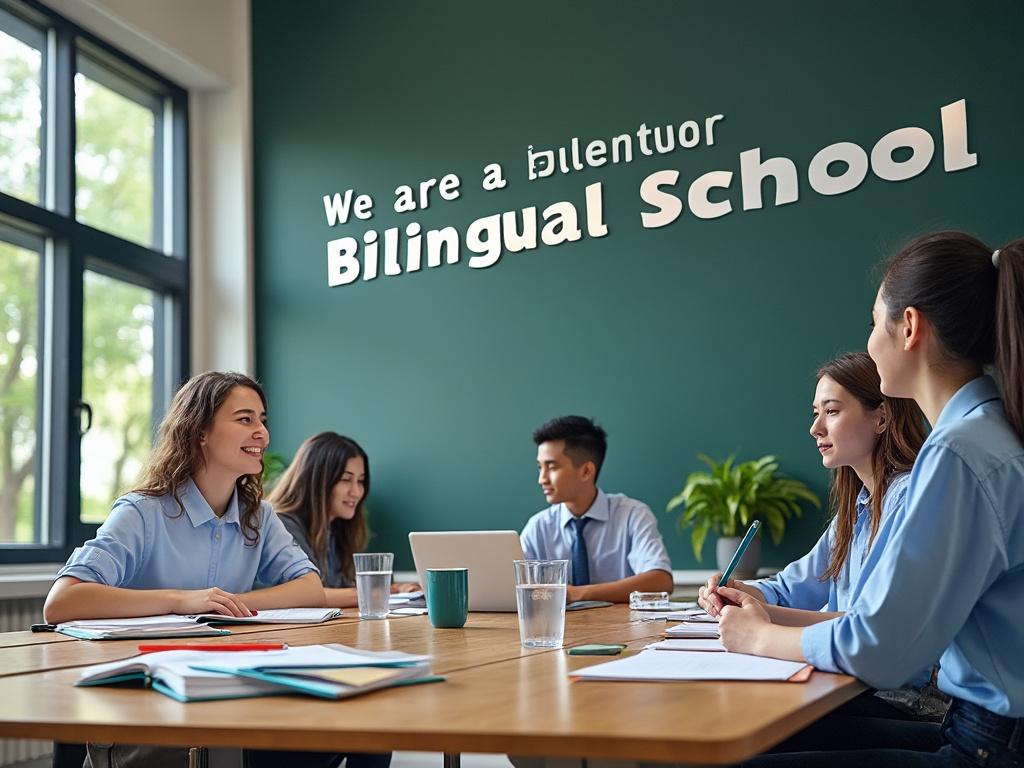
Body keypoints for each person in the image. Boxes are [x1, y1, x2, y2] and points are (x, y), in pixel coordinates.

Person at [715, 231, 1024, 767]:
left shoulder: (960, 452)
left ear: (909, 328)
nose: (869, 340)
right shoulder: (985, 433)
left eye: (873, 320)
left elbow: (880, 648)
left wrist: (759, 638)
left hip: (985, 745)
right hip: (979, 730)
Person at [43, 371, 326, 768]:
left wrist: (228, 603)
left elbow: (310, 588)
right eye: (245, 419)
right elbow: (62, 602)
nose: (261, 432)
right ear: (200, 433)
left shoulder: (257, 515)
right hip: (145, 709)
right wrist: (180, 601)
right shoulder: (142, 511)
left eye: (263, 420)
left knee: (336, 738)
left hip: (227, 693)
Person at [699, 352, 945, 724]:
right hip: (849, 687)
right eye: (815, 412)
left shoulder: (910, 499)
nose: (815, 428)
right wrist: (741, 592)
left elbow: (870, 626)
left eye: (831, 411)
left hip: (899, 701)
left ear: (881, 417)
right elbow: (789, 586)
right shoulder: (856, 508)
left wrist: (760, 627)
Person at [521, 415, 673, 603]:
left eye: (552, 467)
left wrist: (576, 594)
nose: (542, 479)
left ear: (586, 471)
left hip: (622, 630)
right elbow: (511, 585)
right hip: (555, 630)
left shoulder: (632, 515)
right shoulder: (538, 527)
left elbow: (660, 580)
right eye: (539, 467)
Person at [268, 431, 419, 608]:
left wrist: (395, 588)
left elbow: (344, 588)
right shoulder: (282, 525)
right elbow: (307, 595)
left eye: (361, 481)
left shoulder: (337, 529)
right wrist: (385, 590)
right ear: (316, 481)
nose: (356, 491)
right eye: (346, 479)